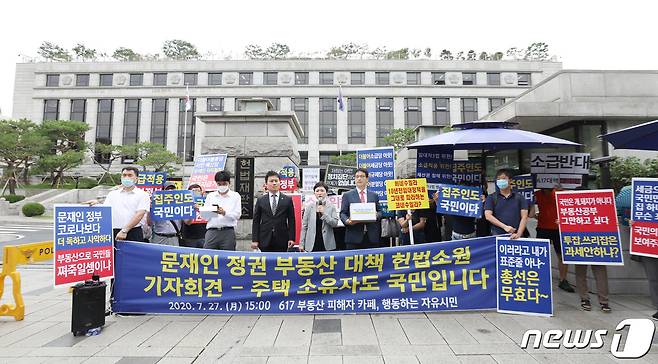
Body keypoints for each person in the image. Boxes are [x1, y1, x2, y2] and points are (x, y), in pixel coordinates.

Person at [88, 166, 150, 242]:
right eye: (124, 175)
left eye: (130, 175)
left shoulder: (143, 195)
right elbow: (106, 210)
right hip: (113, 232)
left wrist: (124, 231)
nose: (126, 177)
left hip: (133, 232)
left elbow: (139, 214)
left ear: (136, 178)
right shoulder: (112, 194)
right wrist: (96, 204)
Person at [535, 184, 575, 292]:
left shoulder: (560, 192)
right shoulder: (536, 194)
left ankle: (563, 280)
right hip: (542, 228)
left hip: (559, 229)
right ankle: (539, 279)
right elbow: (531, 213)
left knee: (562, 255)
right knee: (540, 255)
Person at [251, 171, 296, 252]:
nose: (274, 183)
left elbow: (291, 220)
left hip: (282, 237)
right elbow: (256, 221)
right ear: (266, 184)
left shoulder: (287, 200)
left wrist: (292, 238)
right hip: (264, 238)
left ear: (280, 183)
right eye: (271, 181)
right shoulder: (261, 200)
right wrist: (255, 239)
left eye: (276, 181)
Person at [340, 168, 382, 250]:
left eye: (362, 176)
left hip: (371, 236)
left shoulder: (374, 195)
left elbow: (380, 211)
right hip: (353, 236)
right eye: (357, 177)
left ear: (367, 179)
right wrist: (347, 221)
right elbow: (342, 213)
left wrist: (377, 215)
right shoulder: (347, 195)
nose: (359, 178)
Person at [484, 169, 529, 239]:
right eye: (498, 179)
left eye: (504, 178)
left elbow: (524, 217)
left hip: (516, 236)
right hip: (497, 236)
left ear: (510, 180)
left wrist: (518, 234)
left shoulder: (519, 197)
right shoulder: (491, 197)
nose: (501, 181)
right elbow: (488, 216)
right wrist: (505, 227)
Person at [203, 171, 241, 251]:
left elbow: (237, 215)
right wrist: (210, 211)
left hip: (227, 231)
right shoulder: (211, 196)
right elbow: (205, 217)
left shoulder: (235, 196)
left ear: (229, 183)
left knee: (228, 258)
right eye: (219, 184)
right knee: (208, 257)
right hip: (212, 231)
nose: (222, 186)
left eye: (224, 184)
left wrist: (224, 213)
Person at [300, 182, 339, 251]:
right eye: (317, 191)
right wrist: (301, 244)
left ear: (326, 193)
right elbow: (304, 226)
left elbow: (335, 223)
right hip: (311, 243)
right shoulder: (309, 207)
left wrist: (324, 213)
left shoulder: (331, 207)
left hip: (327, 243)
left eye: (322, 190)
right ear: (314, 193)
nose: (319, 193)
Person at [148, 182, 182, 246]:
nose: (170, 191)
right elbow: (149, 223)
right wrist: (150, 210)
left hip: (174, 238)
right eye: (168, 189)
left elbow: (188, 222)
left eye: (173, 189)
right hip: (159, 238)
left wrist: (192, 209)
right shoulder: (156, 204)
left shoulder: (181, 205)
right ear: (163, 191)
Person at [180, 184, 207, 248]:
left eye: (198, 191)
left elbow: (210, 218)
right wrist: (193, 210)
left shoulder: (206, 203)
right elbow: (187, 222)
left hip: (203, 236)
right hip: (189, 237)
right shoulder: (184, 204)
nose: (196, 193)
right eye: (193, 192)